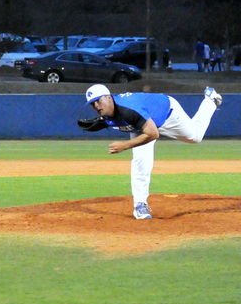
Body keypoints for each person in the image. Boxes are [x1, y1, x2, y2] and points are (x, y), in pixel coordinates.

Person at [81, 84, 222, 219]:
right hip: (142, 125)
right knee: (140, 160)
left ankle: (210, 100)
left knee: (195, 137)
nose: (96, 106)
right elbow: (133, 125)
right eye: (92, 104)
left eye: (98, 101)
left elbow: (153, 133)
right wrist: (105, 122)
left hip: (167, 114)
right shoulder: (108, 113)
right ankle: (140, 205)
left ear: (108, 97)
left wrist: (125, 145)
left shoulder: (128, 109)